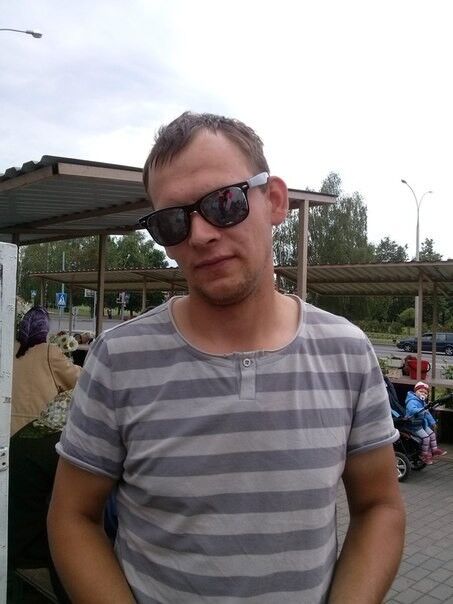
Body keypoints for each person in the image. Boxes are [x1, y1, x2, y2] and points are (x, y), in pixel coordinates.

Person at [48, 112, 405, 603]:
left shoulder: (346, 351)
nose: (199, 235)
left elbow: (379, 507)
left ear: (274, 200)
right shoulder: (118, 360)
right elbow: (72, 516)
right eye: (172, 221)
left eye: (223, 203)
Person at [11, 307, 81, 435]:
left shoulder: (9, 348)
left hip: (7, 426)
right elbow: (76, 379)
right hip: (36, 429)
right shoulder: (49, 352)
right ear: (45, 329)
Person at [405, 381, 447, 464]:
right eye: (421, 391)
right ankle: (424, 454)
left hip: (421, 423)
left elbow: (427, 413)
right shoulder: (411, 401)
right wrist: (422, 410)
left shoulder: (423, 403)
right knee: (426, 438)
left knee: (432, 434)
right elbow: (412, 410)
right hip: (413, 424)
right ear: (415, 392)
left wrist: (433, 423)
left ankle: (434, 450)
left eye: (425, 393)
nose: (423, 394)